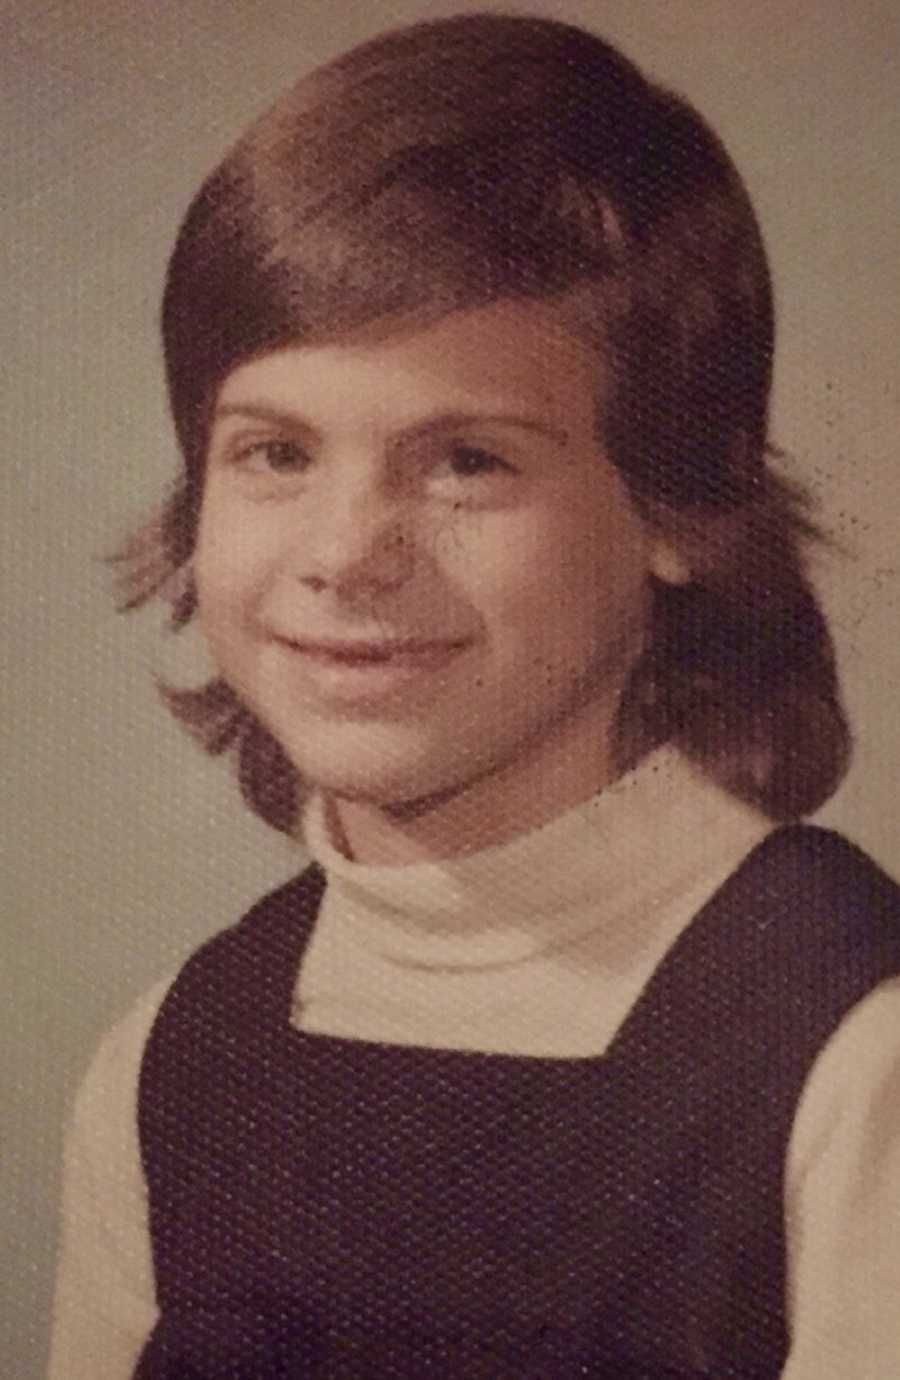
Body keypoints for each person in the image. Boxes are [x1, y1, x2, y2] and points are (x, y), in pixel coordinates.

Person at [49, 12, 900, 1378]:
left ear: (677, 510)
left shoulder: (852, 1044)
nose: (344, 555)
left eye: (466, 463)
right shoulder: (171, 1064)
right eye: (275, 452)